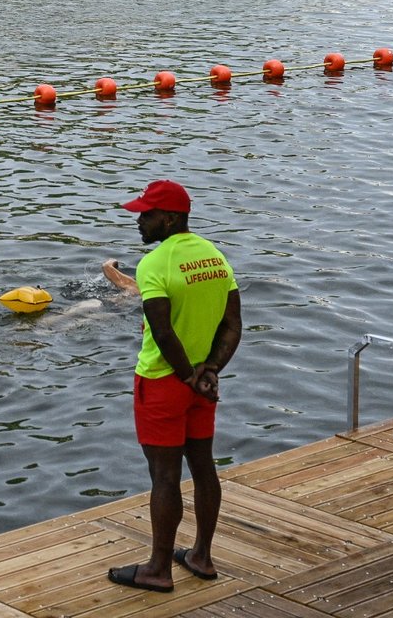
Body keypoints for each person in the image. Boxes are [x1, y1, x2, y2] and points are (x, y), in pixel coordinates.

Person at [106, 179, 241, 594]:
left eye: (146, 215)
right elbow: (233, 324)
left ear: (171, 218)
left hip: (164, 383)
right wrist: (210, 371)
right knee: (203, 467)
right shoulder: (215, 256)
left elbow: (163, 334)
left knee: (164, 477)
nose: (139, 222)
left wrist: (186, 377)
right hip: (203, 384)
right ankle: (201, 555)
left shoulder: (155, 264)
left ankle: (158, 569)